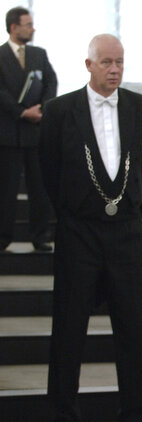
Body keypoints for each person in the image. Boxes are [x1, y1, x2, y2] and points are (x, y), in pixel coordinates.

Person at [38, 34, 142, 422]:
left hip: (126, 232)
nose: (115, 69)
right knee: (69, 330)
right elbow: (48, 172)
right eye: (106, 62)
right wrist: (75, 212)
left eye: (120, 62)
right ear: (88, 64)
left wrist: (124, 207)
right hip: (78, 232)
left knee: (132, 330)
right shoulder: (58, 111)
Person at [0, 6, 56, 252]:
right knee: (6, 189)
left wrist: (42, 109)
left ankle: (41, 235)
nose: (33, 28)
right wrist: (21, 112)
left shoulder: (39, 54)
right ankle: (3, 238)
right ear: (14, 27)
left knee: (40, 187)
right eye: (28, 24)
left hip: (36, 132)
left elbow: (50, 82)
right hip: (8, 133)